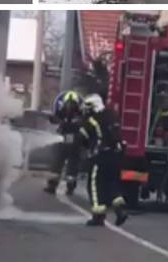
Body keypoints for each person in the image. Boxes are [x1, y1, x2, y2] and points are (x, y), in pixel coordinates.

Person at [79, 94, 128, 227]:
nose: (86, 110)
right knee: (111, 183)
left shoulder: (91, 120)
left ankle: (98, 216)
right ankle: (120, 209)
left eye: (88, 107)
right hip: (115, 156)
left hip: (100, 156)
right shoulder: (112, 115)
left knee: (94, 184)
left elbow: (82, 138)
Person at [45, 90, 83, 195]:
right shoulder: (78, 114)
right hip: (72, 140)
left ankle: (53, 185)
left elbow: (55, 119)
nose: (69, 108)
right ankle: (68, 186)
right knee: (70, 163)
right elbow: (54, 119)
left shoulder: (69, 114)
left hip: (67, 139)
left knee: (59, 162)